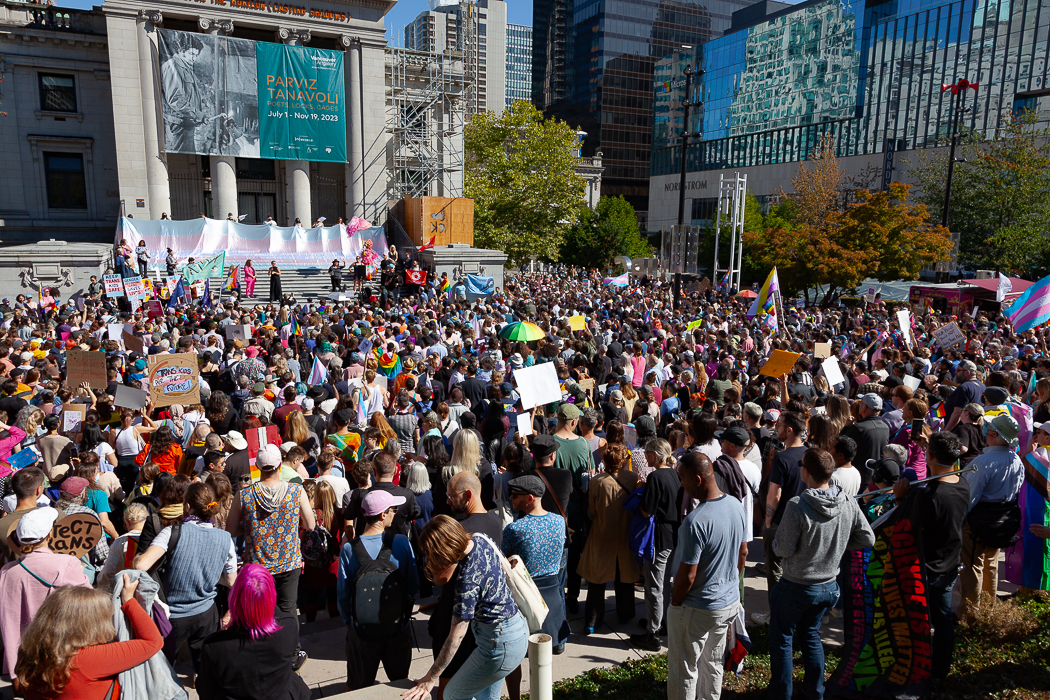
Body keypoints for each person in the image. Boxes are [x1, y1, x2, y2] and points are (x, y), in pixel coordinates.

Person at [768, 448, 875, 700]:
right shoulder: (848, 501)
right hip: (827, 587)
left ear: (806, 472)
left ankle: (781, 694)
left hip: (796, 585)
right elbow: (867, 538)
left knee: (783, 639)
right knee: (811, 636)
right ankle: (816, 693)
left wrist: (775, 544)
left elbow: (782, 548)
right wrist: (836, 546)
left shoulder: (797, 505)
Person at [403, 515, 529, 700]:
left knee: (452, 695)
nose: (430, 560)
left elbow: (455, 637)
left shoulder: (466, 582)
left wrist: (430, 678)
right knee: (485, 697)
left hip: (498, 646)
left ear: (442, 553)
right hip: (517, 632)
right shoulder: (480, 538)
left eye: (432, 555)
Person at [134, 481, 238, 680]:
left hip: (173, 615)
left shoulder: (171, 533)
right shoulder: (225, 538)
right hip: (207, 612)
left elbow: (140, 565)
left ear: (188, 506)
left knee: (164, 668)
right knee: (207, 668)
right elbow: (231, 581)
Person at [226, 443, 315, 671]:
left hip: (257, 565)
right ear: (279, 465)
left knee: (259, 610)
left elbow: (231, 529)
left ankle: (263, 651)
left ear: (257, 466)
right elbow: (311, 523)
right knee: (288, 609)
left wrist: (252, 525)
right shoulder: (295, 491)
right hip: (289, 561)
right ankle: (292, 653)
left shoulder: (244, 495)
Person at [665, 452, 747, 700]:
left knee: (684, 668)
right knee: (713, 662)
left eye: (683, 479)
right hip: (728, 603)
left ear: (698, 480)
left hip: (698, 607)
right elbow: (743, 553)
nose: (682, 484)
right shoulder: (736, 504)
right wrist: (729, 584)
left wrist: (675, 603)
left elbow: (687, 576)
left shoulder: (695, 522)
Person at [892, 431, 969, 679]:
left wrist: (899, 499)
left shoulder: (927, 494)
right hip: (950, 561)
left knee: (918, 619)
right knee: (943, 618)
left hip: (925, 567)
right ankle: (940, 669)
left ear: (931, 455)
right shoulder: (963, 483)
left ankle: (919, 665)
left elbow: (904, 526)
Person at [15, 574, 163, 699]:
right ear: (91, 625)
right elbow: (153, 641)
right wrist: (129, 601)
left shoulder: (29, 651)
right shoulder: (86, 660)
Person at [337, 490, 418, 691]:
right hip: (397, 628)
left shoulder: (349, 549)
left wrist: (350, 624)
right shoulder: (401, 542)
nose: (395, 513)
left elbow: (343, 594)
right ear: (382, 515)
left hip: (362, 632)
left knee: (359, 688)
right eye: (393, 510)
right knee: (399, 684)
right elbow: (413, 583)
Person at [196, 564, 311, 700]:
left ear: (235, 599)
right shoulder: (288, 625)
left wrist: (225, 631)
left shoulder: (214, 647)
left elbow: (205, 690)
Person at [0, 507, 92, 679]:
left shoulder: (6, 572)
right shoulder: (66, 563)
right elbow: (90, 601)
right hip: (57, 658)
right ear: (50, 534)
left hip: (22, 665)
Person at [960, 412, 1025, 614]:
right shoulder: (1016, 460)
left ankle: (970, 614)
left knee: (973, 567)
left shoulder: (983, 462)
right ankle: (988, 610)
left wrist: (959, 521)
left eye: (989, 428)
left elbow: (969, 498)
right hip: (1003, 519)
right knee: (991, 564)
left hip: (979, 521)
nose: (985, 430)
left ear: (994, 434)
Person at [501, 473, 567, 654]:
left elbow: (504, 558)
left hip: (527, 597)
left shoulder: (515, 529)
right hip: (553, 594)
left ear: (530, 498)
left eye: (515, 495)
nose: (511, 498)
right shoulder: (559, 521)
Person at [577, 443, 638, 634]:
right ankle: (625, 613)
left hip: (602, 534)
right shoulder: (633, 478)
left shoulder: (597, 482)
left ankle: (592, 620)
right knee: (624, 578)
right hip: (625, 533)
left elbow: (591, 511)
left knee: (597, 579)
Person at [754, 411, 806, 626]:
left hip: (781, 523)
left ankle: (776, 616)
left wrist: (768, 521)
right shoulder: (810, 454)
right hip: (803, 523)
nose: (777, 428)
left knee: (775, 572)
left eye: (780, 425)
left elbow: (774, 494)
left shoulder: (782, 458)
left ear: (790, 429)